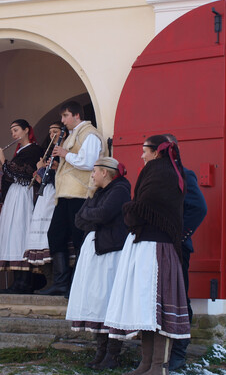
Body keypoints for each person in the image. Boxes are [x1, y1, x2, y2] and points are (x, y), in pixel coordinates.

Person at [104, 135, 191, 375]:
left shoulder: (162, 172)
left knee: (157, 309)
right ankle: (146, 363)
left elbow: (145, 206)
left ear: (157, 152)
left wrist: (128, 210)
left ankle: (158, 366)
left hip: (157, 248)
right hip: (145, 246)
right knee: (146, 308)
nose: (141, 155)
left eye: (145, 150)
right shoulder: (161, 170)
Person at [66, 157, 131, 370]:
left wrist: (89, 214)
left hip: (110, 252)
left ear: (105, 172)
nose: (92, 175)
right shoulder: (100, 192)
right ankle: (101, 351)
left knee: (108, 300)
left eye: (94, 171)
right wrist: (89, 214)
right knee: (96, 301)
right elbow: (78, 219)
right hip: (95, 252)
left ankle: (113, 355)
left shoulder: (120, 190)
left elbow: (102, 214)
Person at [38, 101, 108, 296]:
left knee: (79, 239)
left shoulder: (89, 134)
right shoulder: (73, 134)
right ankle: (61, 283)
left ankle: (78, 284)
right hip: (67, 194)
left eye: (65, 116)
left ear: (77, 115)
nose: (62, 120)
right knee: (56, 235)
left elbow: (89, 162)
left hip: (81, 193)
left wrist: (64, 153)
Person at [164, 134, 208, 371]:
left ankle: (179, 351)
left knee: (179, 298)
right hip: (156, 247)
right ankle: (160, 350)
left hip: (177, 248)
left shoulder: (185, 174)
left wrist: (178, 236)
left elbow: (199, 208)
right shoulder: (155, 177)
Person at [0, 119, 43, 293]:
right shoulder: (20, 151)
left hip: (24, 195)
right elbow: (11, 173)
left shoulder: (34, 150)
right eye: (11, 131)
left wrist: (4, 161)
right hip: (15, 194)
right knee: (13, 234)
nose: (13, 134)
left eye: (16, 130)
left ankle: (24, 282)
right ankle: (18, 281)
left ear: (26, 130)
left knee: (21, 233)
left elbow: (23, 173)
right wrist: (0, 165)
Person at [23, 122, 63, 277]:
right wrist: (40, 172)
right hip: (45, 194)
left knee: (51, 233)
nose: (52, 134)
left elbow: (60, 175)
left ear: (63, 133)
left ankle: (57, 279)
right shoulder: (49, 152)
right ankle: (49, 278)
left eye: (55, 131)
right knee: (41, 237)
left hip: (56, 194)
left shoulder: (64, 151)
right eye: (50, 131)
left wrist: (42, 168)